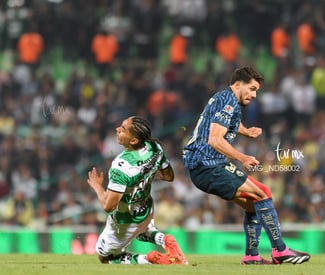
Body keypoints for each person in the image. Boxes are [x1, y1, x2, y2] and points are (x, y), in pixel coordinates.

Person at [182, 66, 311, 265]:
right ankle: (280, 250)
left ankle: (252, 256)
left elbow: (228, 123)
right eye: (251, 89)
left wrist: (246, 131)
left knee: (254, 203)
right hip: (208, 165)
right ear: (238, 84)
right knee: (263, 192)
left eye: (256, 90)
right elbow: (215, 140)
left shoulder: (225, 98)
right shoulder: (227, 101)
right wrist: (242, 158)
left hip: (203, 166)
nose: (254, 94)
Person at [87, 116, 188, 265]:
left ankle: (150, 259)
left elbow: (108, 206)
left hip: (125, 221)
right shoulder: (155, 148)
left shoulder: (121, 166)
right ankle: (165, 240)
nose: (117, 130)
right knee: (140, 232)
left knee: (105, 257)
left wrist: (97, 186)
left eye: (122, 129)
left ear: (134, 140)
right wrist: (146, 174)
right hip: (145, 210)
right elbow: (169, 176)